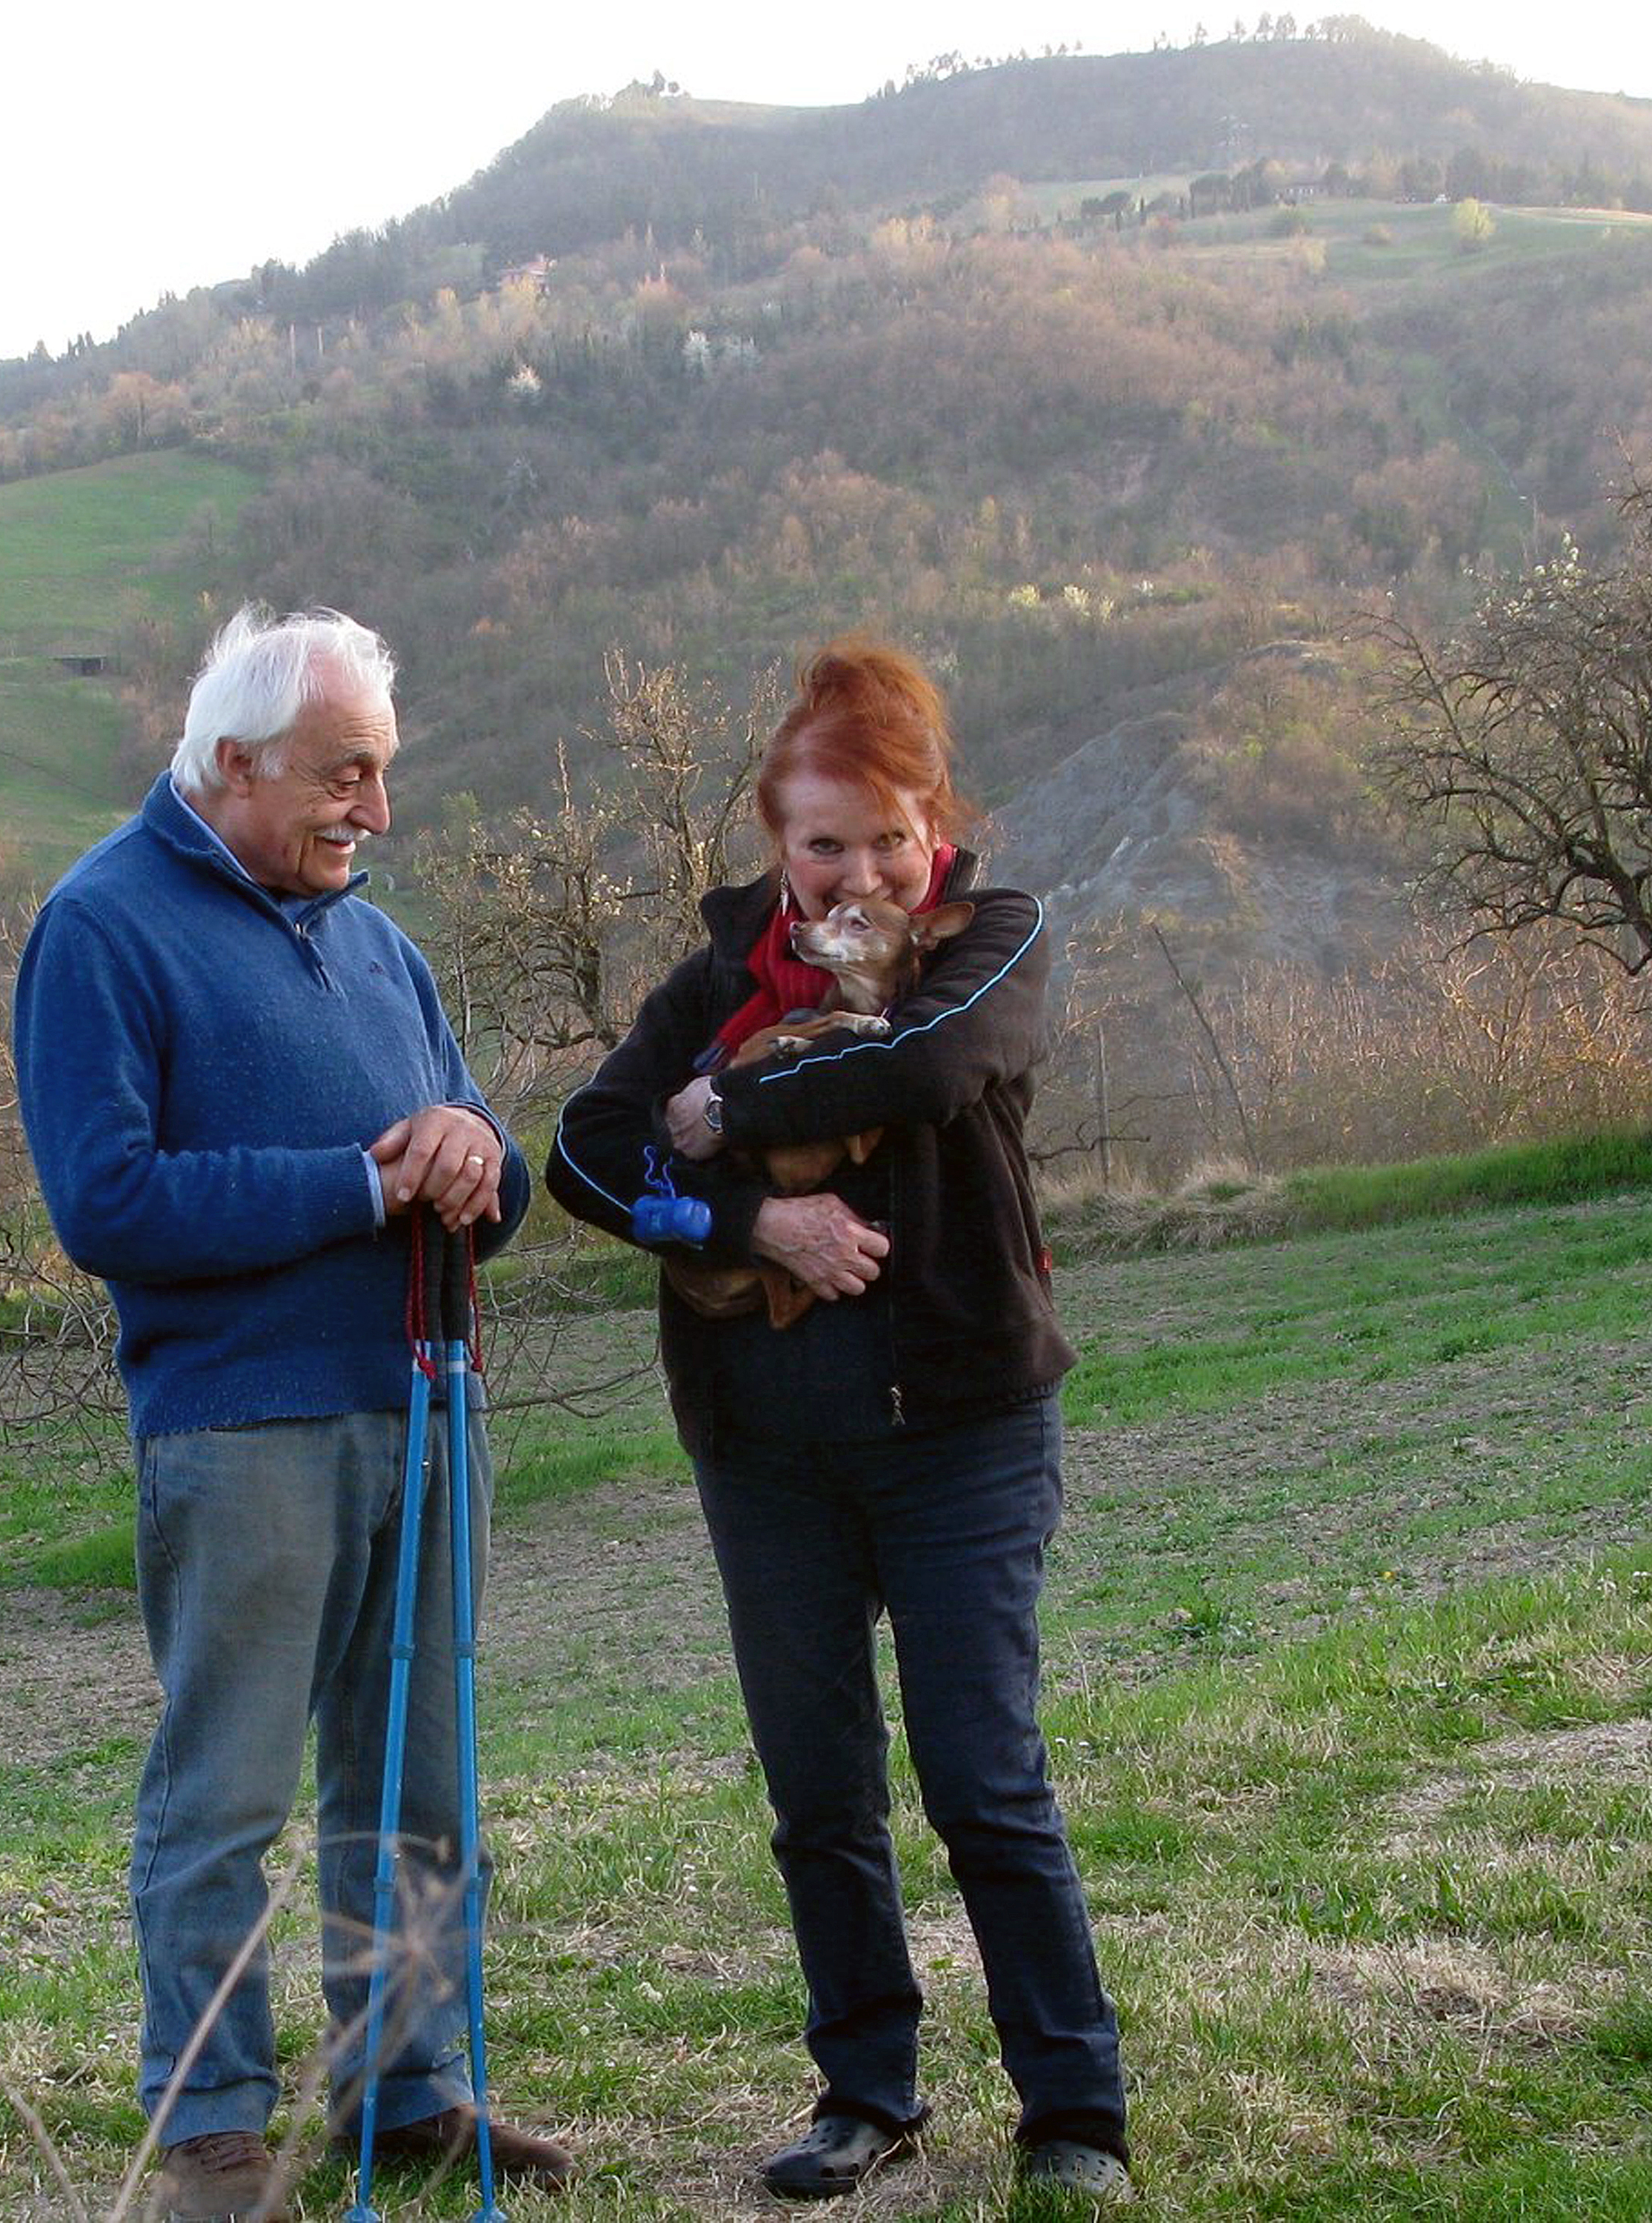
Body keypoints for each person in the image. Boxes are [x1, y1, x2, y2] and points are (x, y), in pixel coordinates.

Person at [548, 637, 1130, 2202]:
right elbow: (586, 1153)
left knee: (980, 1775)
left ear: (933, 818)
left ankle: (1074, 2115)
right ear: (775, 843)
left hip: (963, 1426)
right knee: (818, 1791)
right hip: (766, 1449)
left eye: (889, 832)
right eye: (823, 840)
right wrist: (748, 1225)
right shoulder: (718, 976)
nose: (858, 867)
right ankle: (864, 2094)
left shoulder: (991, 938)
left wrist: (728, 1108)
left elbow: (929, 1063)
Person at [14, 605, 574, 2223]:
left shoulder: (377, 943)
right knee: (228, 1795)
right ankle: (214, 2135)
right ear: (236, 761)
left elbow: (482, 1164)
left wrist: (479, 1156)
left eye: (382, 778)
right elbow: (105, 1200)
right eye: (346, 777)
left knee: (417, 1784)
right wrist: (356, 1183)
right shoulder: (101, 927)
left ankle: (412, 2092)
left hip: (430, 1405)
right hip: (245, 1427)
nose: (372, 815)